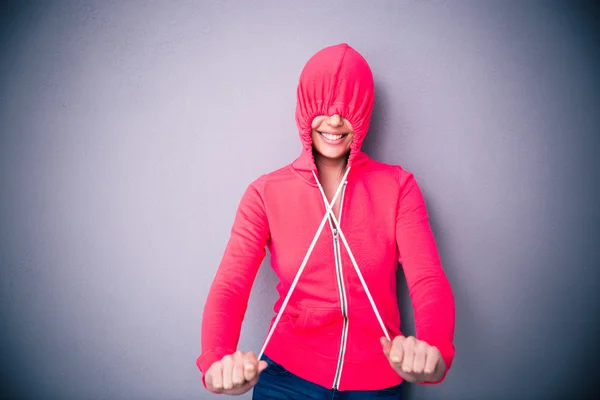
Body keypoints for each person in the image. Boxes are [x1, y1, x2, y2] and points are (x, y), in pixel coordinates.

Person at [196, 43, 455, 399]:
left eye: (347, 107)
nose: (334, 120)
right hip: (286, 375)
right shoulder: (264, 192)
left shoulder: (398, 187)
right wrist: (215, 359)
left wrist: (436, 349)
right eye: (324, 105)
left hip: (376, 380)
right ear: (304, 107)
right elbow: (230, 285)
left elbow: (427, 279)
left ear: (364, 112)